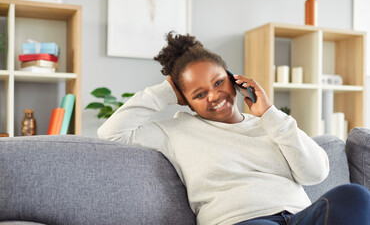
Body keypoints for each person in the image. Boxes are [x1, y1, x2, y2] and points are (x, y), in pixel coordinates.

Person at [98, 32, 370, 225]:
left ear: (233, 79)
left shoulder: (272, 124)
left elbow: (316, 173)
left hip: (299, 216)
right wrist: (166, 91)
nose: (214, 96)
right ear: (186, 101)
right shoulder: (175, 130)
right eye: (199, 94)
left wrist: (269, 114)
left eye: (218, 83)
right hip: (242, 220)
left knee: (355, 195)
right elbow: (111, 133)